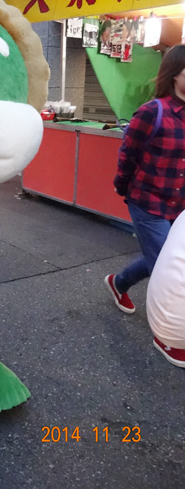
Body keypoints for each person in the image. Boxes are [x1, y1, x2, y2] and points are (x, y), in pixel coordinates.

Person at [105, 44, 185, 313]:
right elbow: (128, 155)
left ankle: (119, 283)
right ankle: (168, 329)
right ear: (175, 73)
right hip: (149, 203)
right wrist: (122, 187)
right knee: (168, 270)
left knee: (167, 260)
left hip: (180, 206)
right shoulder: (152, 112)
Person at [146, 209, 185, 368]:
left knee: (160, 255)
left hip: (169, 208)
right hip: (150, 207)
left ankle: (120, 283)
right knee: (157, 255)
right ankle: (120, 282)